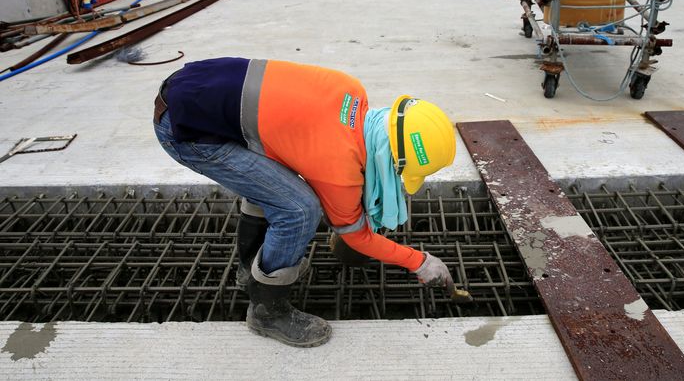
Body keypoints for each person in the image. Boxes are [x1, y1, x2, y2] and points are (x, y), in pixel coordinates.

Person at [153, 58, 457, 348]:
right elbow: (355, 235)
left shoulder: (350, 90)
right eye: (400, 170)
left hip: (196, 86)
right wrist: (420, 261)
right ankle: (267, 312)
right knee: (298, 209)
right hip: (186, 130)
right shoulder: (338, 166)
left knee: (275, 185)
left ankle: (250, 272)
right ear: (391, 155)